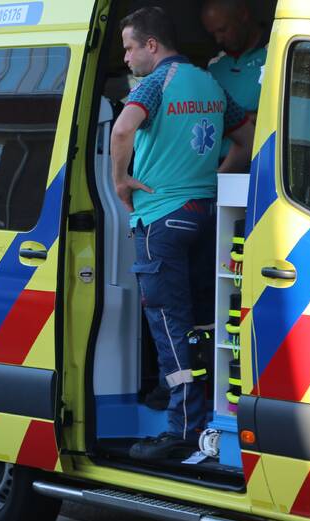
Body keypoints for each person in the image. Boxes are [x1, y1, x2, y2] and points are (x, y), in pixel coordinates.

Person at [110, 7, 254, 461]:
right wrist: (218, 178)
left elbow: (122, 129)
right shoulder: (208, 82)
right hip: (206, 214)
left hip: (162, 217)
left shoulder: (155, 83)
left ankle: (182, 431)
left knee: (169, 325)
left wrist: (120, 181)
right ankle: (209, 417)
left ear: (152, 45)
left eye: (131, 47)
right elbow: (246, 137)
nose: (127, 59)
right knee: (204, 323)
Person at [202, 0, 267, 117]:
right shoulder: (214, 64)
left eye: (222, 30)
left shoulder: (277, 53)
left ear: (242, 14)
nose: (218, 40)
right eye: (212, 34)